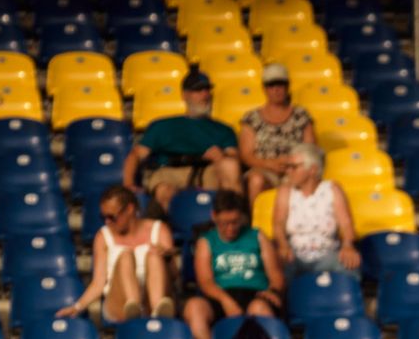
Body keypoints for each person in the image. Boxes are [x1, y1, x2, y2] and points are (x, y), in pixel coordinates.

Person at [183, 190, 286, 339]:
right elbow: (205, 281)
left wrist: (274, 291)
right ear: (214, 217)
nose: (230, 228)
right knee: (194, 307)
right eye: (224, 223)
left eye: (235, 222)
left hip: (255, 294)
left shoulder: (257, 236)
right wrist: (226, 301)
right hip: (220, 295)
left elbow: (276, 275)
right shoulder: (206, 241)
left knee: (259, 309)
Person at [122, 67, 242, 212]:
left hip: (206, 171)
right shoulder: (162, 125)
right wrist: (128, 184)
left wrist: (221, 157)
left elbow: (234, 159)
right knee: (165, 191)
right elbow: (136, 155)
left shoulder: (224, 129)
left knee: (228, 166)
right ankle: (172, 231)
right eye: (198, 91)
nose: (205, 95)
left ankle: (233, 219)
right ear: (185, 95)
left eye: (207, 90)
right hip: (169, 171)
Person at [58, 185, 175, 324]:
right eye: (103, 217)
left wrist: (168, 256)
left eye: (111, 217)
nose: (107, 222)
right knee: (125, 255)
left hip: (153, 298)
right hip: (119, 301)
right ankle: (134, 310)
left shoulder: (159, 229)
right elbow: (98, 283)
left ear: (130, 209)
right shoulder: (103, 236)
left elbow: (174, 276)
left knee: (154, 256)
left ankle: (158, 314)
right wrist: (77, 307)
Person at [272, 144, 361, 275]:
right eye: (288, 166)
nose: (288, 171)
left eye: (294, 167)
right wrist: (282, 245)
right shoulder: (285, 191)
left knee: (350, 264)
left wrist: (348, 246)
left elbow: (346, 224)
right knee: (279, 266)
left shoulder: (332, 189)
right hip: (295, 254)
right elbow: (278, 224)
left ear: (312, 169)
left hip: (328, 252)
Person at [238, 63, 317, 206]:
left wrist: (291, 163)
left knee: (305, 178)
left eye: (281, 84)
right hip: (265, 170)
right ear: (264, 88)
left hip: (294, 169)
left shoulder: (301, 115)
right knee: (256, 180)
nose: (276, 89)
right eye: (271, 85)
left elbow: (310, 149)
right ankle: (256, 223)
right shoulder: (252, 118)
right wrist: (269, 164)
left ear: (287, 86)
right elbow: (246, 154)